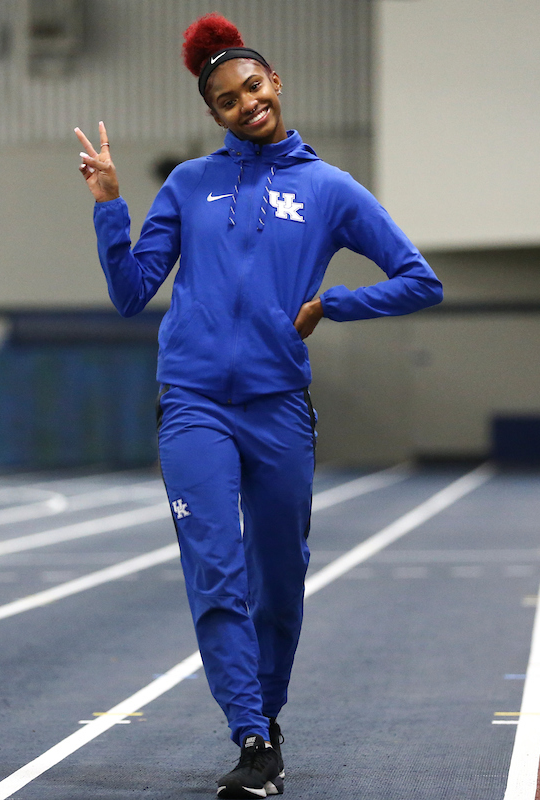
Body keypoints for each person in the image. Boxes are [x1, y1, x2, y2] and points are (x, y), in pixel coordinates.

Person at [75, 12, 443, 798]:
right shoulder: (188, 184)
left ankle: (267, 719)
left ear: (275, 81)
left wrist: (333, 305)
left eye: (253, 88)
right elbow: (132, 292)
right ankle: (249, 734)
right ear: (214, 113)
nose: (247, 104)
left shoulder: (329, 188)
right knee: (216, 568)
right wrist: (109, 204)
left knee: (279, 580)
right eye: (229, 100)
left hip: (278, 407)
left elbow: (421, 280)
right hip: (193, 403)